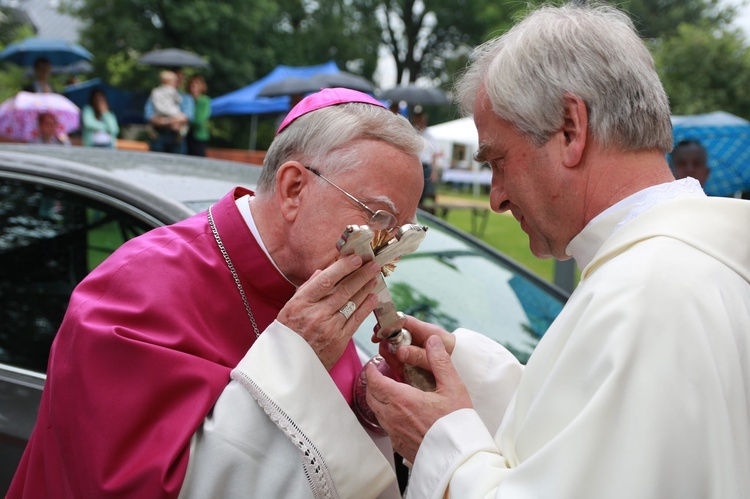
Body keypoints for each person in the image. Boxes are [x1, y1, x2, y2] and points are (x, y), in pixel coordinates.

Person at [365, 4, 750, 498]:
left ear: (571, 128)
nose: (496, 196)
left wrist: (440, 447)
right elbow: (595, 439)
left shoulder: (645, 297)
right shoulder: (689, 266)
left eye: (498, 161)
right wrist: (471, 377)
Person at [8, 88, 425, 498]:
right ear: (294, 189)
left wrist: (371, 405)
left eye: (405, 233)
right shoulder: (130, 293)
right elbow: (130, 487)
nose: (388, 251)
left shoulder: (310, 282)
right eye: (379, 217)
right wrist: (290, 359)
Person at [144, 68, 194, 154]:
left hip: (177, 137)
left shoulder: (186, 98)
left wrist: (163, 121)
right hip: (158, 136)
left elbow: (187, 117)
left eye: (181, 78)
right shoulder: (157, 93)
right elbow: (148, 115)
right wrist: (171, 122)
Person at [411, 106, 440, 212]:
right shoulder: (411, 133)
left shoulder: (430, 135)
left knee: (423, 193)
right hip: (414, 165)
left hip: (426, 167)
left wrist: (434, 171)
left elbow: (434, 155)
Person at [186, 74, 211, 157]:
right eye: (192, 84)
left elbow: (199, 120)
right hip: (186, 136)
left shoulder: (204, 100)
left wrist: (185, 120)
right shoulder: (187, 99)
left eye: (197, 84)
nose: (194, 86)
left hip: (198, 136)